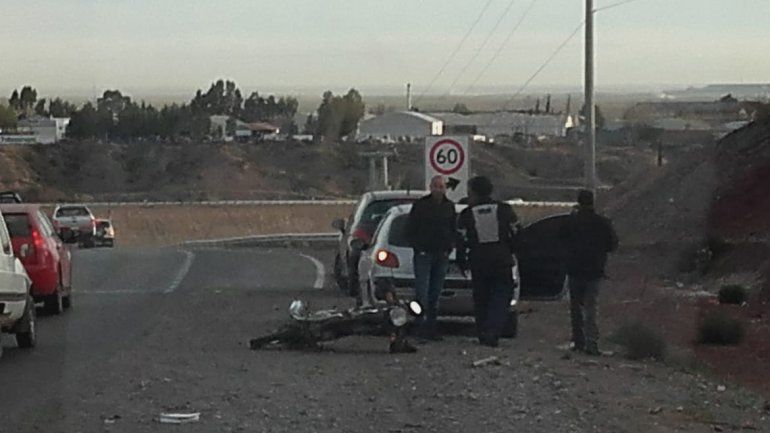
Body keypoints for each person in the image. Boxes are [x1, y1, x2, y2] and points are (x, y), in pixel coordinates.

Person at [456, 176, 520, 347]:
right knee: (501, 298)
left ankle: (483, 332)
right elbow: (517, 233)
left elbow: (460, 241)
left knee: (481, 298)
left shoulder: (467, 213)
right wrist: (511, 251)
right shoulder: (505, 210)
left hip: (479, 261)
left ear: (473, 192)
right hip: (502, 261)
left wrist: (462, 262)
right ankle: (493, 331)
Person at [559, 189, 618, 356]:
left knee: (576, 308)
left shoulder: (571, 222)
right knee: (591, 308)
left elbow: (560, 240)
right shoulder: (603, 222)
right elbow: (613, 245)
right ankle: (592, 344)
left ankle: (578, 342)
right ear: (593, 202)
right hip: (594, 270)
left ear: (578, 202)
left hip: (575, 269)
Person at [405, 175, 456, 340]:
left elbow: (453, 229)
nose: (438, 189)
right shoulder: (420, 205)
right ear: (430, 187)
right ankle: (419, 326)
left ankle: (431, 328)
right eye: (435, 186)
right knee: (422, 293)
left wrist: (450, 247)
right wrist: (418, 247)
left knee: (435, 294)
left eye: (441, 186)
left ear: (445, 188)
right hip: (423, 255)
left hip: (441, 255)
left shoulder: (449, 207)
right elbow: (411, 228)